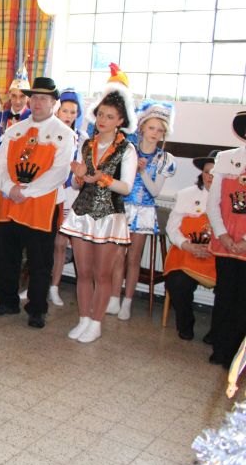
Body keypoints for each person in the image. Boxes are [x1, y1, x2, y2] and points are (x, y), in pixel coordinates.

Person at [0, 77, 75, 328]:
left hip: (42, 205)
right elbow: (0, 163)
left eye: (44, 98)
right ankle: (7, 300)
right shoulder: (14, 130)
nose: (37, 103)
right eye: (34, 97)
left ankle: (37, 308)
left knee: (39, 260)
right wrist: (9, 188)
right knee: (6, 255)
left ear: (54, 103)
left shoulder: (64, 134)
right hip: (10, 201)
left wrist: (27, 191)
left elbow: (60, 172)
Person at [60, 83, 138, 343]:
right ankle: (84, 318)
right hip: (82, 214)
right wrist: (79, 177)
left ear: (121, 121)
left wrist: (101, 178)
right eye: (101, 114)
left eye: (110, 116)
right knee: (83, 272)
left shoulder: (127, 149)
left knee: (102, 274)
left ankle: (96, 322)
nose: (103, 120)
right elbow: (76, 185)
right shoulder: (86, 144)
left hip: (109, 216)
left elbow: (126, 188)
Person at [108, 100, 176, 320]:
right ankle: (113, 298)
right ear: (142, 128)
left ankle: (127, 301)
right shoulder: (127, 151)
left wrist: (143, 172)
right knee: (118, 255)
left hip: (145, 210)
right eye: (151, 128)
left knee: (134, 258)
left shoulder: (164, 159)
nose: (155, 133)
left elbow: (155, 191)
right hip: (123, 208)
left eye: (160, 130)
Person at [207, 112, 246, 367]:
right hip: (225, 242)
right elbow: (213, 203)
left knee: (243, 300)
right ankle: (220, 349)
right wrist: (223, 234)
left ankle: (237, 353)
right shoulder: (225, 159)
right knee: (224, 295)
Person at [164, 152, 216, 340]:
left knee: (231, 286)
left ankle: (218, 330)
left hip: (218, 256)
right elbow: (172, 227)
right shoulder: (186, 195)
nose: (210, 176)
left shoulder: (234, 199)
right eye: (207, 172)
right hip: (188, 252)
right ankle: (185, 323)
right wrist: (187, 246)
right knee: (177, 282)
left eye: (215, 173)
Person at [49, 88, 88, 307]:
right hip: (48, 192)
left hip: (70, 196)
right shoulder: (49, 131)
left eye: (73, 112)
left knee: (61, 244)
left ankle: (54, 287)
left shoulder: (82, 139)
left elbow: (79, 174)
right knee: (43, 243)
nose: (69, 115)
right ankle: (37, 284)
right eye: (65, 110)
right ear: (57, 110)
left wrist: (77, 179)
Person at [0, 61, 31, 148]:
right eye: (14, 96)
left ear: (28, 97)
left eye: (22, 96)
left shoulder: (33, 118)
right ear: (9, 95)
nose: (18, 101)